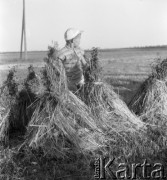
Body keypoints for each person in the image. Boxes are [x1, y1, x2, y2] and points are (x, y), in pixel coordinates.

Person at [54, 28, 89, 92]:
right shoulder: (62, 53)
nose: (80, 41)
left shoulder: (79, 50)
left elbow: (85, 64)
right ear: (72, 40)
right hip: (70, 84)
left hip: (81, 81)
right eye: (78, 39)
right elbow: (59, 71)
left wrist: (90, 70)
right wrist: (67, 84)